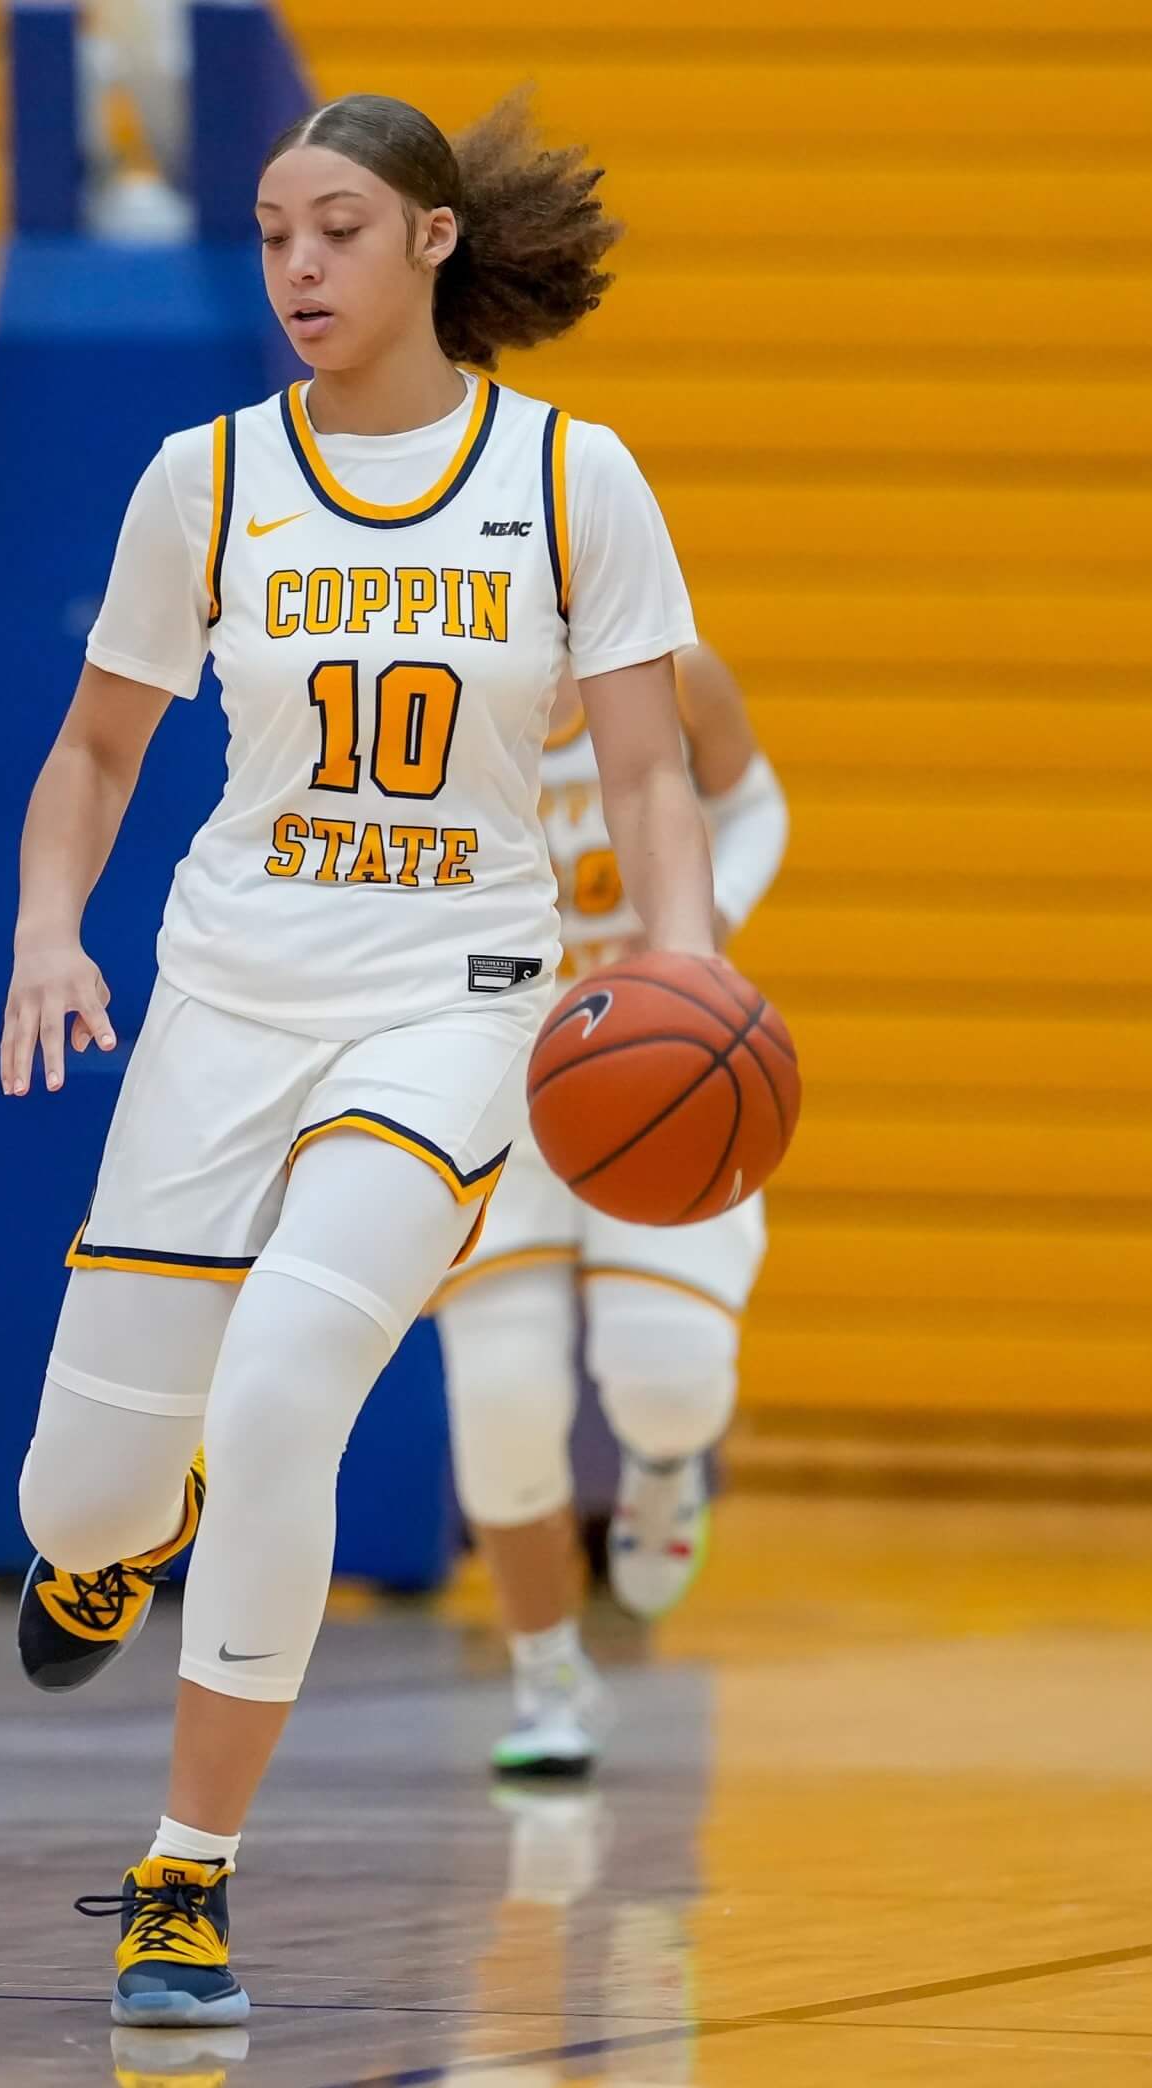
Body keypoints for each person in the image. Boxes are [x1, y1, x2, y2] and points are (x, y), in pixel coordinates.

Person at [0, 87, 728, 2028]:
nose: (296, 267)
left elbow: (651, 772)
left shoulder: (574, 479)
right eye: (267, 233)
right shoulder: (206, 480)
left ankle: (183, 1876)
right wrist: (43, 929)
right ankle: (110, 1548)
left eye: (334, 230)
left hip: (456, 997)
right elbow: (90, 752)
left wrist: (682, 969)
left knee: (287, 1389)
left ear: (427, 244)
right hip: (225, 995)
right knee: (79, 1499)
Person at [430, 641, 787, 1777]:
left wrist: (698, 929)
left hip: (660, 1064)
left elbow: (757, 804)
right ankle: (546, 1682)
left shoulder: (676, 671)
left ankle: (667, 1463)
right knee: (499, 1403)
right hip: (492, 1074)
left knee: (668, 1376)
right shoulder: (423, 670)